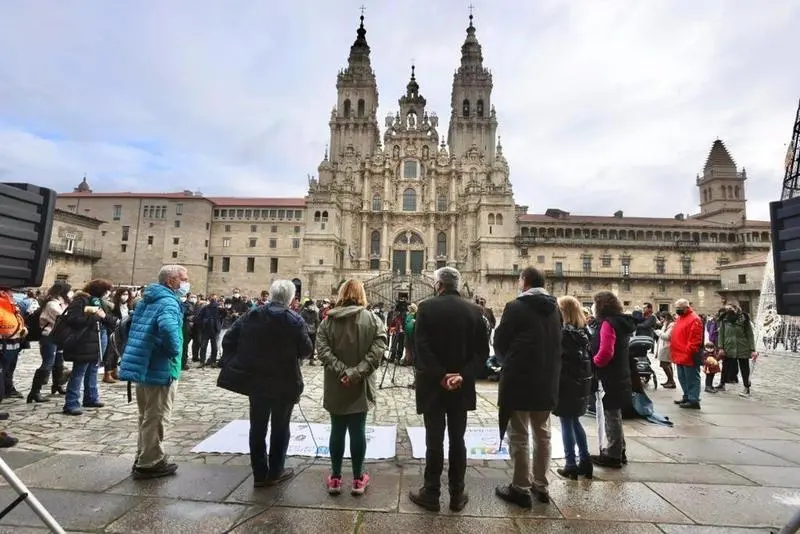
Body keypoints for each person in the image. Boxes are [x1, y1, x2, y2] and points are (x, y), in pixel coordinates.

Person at [408, 267, 489, 513]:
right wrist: (461, 376)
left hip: (433, 385)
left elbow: (421, 347)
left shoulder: (426, 308)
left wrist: (440, 375)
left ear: (438, 285)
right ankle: (456, 494)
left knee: (434, 439)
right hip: (460, 387)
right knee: (458, 440)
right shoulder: (475, 311)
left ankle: (431, 492)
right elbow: (482, 353)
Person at [219, 279, 313, 487]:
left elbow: (229, 340)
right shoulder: (294, 320)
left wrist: (241, 360)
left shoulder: (251, 314)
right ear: (290, 298)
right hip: (284, 381)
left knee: (258, 427)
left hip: (256, 381)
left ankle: (260, 474)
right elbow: (306, 351)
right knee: (281, 427)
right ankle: (276, 471)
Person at [492, 267, 562, 507]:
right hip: (547, 380)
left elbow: (499, 342)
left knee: (520, 435)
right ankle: (541, 486)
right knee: (543, 433)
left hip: (520, 380)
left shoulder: (515, 307)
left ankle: (520, 488)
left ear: (524, 282)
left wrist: (506, 360)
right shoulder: (555, 309)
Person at [316, 279, 386, 496]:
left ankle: (335, 478)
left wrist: (341, 371)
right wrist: (355, 374)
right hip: (360, 384)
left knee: (337, 429)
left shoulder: (327, 322)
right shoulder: (373, 320)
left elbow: (323, 350)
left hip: (337, 384)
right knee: (358, 430)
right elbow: (377, 353)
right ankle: (357, 479)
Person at [119, 265, 188, 479]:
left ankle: (143, 455)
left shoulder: (146, 300)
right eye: (183, 279)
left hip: (144, 363)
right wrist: (174, 350)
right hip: (161, 367)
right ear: (171, 281)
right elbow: (168, 328)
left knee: (146, 415)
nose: (186, 283)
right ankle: (150, 462)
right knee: (157, 415)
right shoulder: (168, 301)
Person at [589, 291, 636, 469]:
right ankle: (619, 449)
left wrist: (594, 362)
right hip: (620, 373)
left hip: (609, 375)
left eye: (594, 304)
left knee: (611, 415)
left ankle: (613, 455)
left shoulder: (608, 324)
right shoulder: (621, 323)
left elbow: (606, 352)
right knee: (614, 413)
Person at [61, 279, 118, 416]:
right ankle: (71, 403)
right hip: (84, 341)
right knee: (79, 371)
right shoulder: (80, 300)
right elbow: (73, 320)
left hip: (98, 339)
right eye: (105, 291)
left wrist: (103, 317)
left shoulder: (98, 302)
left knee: (93, 369)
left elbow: (108, 319)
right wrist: (93, 317)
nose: (107, 294)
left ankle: (91, 397)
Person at [553, 295, 593, 481]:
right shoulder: (584, 332)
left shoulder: (564, 334)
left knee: (566, 422)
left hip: (567, 384)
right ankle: (585, 461)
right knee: (575, 422)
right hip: (581, 384)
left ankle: (570, 464)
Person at [27, 282, 71, 403]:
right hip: (49, 336)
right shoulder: (52, 304)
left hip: (58, 337)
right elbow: (63, 317)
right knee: (48, 363)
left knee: (59, 363)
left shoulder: (60, 303)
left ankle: (57, 385)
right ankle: (35, 391)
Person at [670, 298, 704, 409]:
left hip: (688, 354)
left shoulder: (694, 319)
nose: (677, 310)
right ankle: (687, 396)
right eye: (676, 308)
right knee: (682, 377)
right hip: (679, 353)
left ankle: (693, 399)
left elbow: (695, 339)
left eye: (679, 308)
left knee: (692, 378)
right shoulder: (680, 318)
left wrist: (688, 351)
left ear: (686, 307)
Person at [716, 302, 757, 396]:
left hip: (742, 346)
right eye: (726, 309)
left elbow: (750, 334)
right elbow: (721, 334)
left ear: (736, 308)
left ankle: (747, 388)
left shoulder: (744, 318)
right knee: (725, 366)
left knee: (744, 368)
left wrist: (752, 349)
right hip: (728, 346)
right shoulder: (724, 318)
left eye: (730, 309)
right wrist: (721, 347)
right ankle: (722, 384)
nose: (728, 311)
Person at [104, 287, 131, 383]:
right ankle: (107, 373)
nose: (125, 297)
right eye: (123, 294)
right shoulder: (113, 306)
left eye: (127, 294)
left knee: (117, 352)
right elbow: (109, 317)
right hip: (113, 330)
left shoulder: (128, 306)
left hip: (123, 331)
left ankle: (114, 371)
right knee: (110, 353)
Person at [656, 313, 676, 389]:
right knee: (667, 364)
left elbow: (667, 337)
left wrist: (658, 332)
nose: (661, 320)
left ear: (666, 318)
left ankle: (672, 382)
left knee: (664, 364)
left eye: (662, 318)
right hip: (665, 346)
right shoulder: (666, 324)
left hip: (667, 347)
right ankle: (669, 380)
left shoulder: (671, 325)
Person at [300, 299, 320, 365]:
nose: (312, 306)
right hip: (305, 330)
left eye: (312, 305)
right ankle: (301, 359)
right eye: (311, 305)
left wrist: (317, 329)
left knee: (313, 345)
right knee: (303, 344)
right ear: (307, 306)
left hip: (313, 331)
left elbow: (317, 321)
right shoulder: (303, 312)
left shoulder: (315, 313)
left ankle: (311, 360)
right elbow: (301, 321)